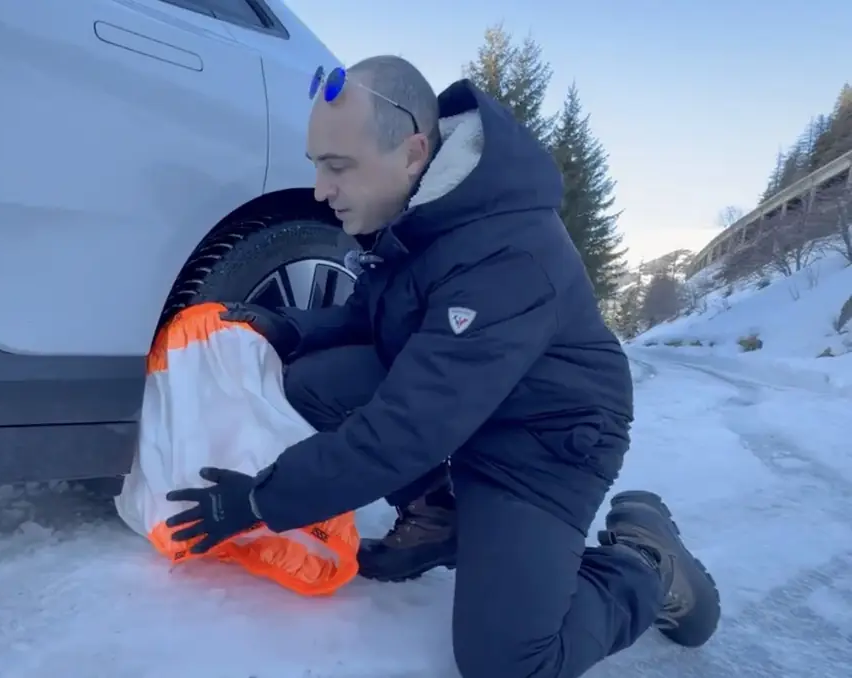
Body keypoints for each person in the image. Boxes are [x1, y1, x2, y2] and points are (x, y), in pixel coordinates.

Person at [163, 55, 721, 678]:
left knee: (509, 661)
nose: (321, 189)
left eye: (337, 166)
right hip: (470, 408)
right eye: (317, 165)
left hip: (545, 439)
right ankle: (441, 514)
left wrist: (262, 501)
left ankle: (646, 564)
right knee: (316, 382)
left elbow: (411, 428)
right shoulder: (424, 213)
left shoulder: (504, 256)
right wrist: (288, 327)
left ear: (411, 151)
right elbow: (375, 324)